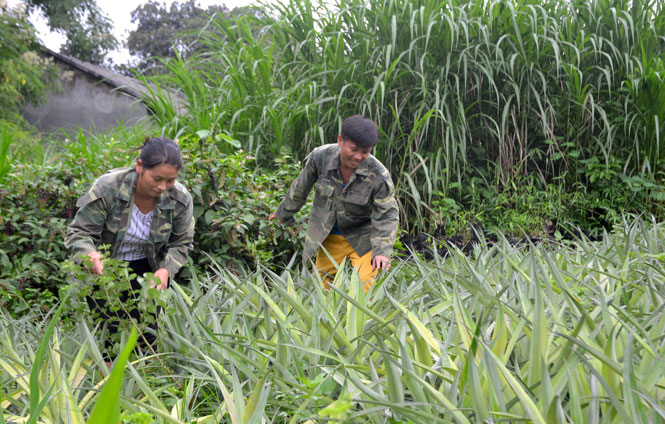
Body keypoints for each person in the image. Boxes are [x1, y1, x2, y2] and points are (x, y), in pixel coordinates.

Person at [65, 136, 195, 355]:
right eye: (157, 178)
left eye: (170, 180)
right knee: (108, 336)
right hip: (106, 267)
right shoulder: (109, 188)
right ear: (139, 166)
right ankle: (106, 383)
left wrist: (165, 270)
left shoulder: (180, 198)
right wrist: (91, 255)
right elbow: (79, 232)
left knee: (147, 335)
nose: (162, 186)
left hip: (149, 267)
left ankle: (142, 382)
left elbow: (182, 243)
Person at [271, 115, 399, 292]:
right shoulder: (320, 157)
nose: (358, 156)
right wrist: (282, 214)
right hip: (329, 235)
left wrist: (382, 252)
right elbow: (300, 188)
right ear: (340, 140)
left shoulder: (378, 175)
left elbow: (387, 215)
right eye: (354, 149)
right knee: (323, 289)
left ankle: (359, 319)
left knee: (364, 287)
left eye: (365, 151)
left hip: (363, 238)